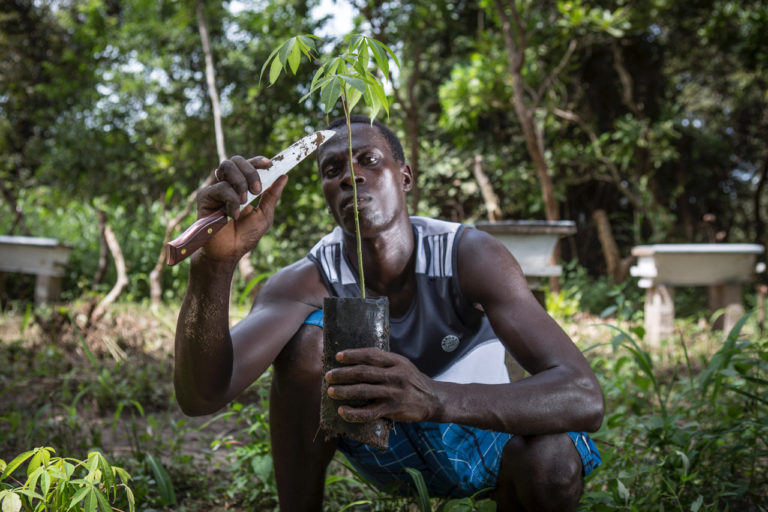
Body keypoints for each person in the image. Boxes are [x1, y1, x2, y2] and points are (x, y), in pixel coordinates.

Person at [173, 115, 605, 511]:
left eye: (368, 160)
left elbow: (583, 396)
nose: (350, 176)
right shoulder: (306, 280)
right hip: (385, 443)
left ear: (405, 177)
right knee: (308, 343)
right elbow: (201, 396)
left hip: (481, 430)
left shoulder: (468, 255)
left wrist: (433, 398)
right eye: (332, 170)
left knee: (553, 457)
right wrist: (214, 264)